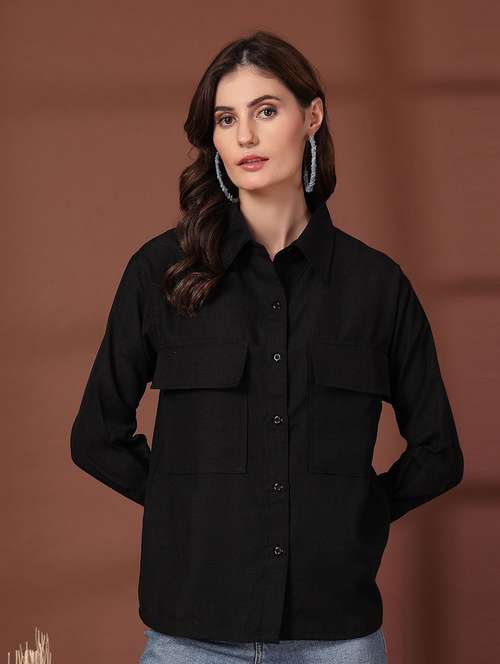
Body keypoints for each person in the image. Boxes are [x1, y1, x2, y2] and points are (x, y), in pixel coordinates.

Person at [70, 30, 464, 664]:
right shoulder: (160, 273)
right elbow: (95, 437)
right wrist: (189, 510)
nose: (245, 137)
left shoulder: (376, 286)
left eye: (266, 110)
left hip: (338, 640)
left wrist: (352, 516)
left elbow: (439, 454)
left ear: (312, 116)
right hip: (191, 639)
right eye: (227, 119)